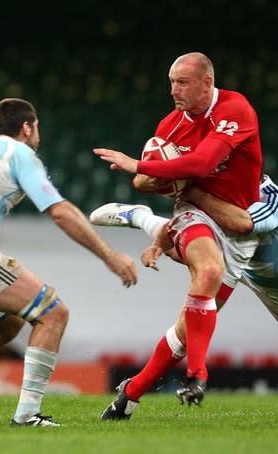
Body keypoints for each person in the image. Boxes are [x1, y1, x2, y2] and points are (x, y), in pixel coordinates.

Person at [0, 98, 138, 427]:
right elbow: (59, 210)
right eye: (37, 129)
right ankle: (27, 415)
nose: (38, 137)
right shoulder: (19, 153)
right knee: (52, 312)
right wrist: (110, 256)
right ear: (27, 127)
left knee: (9, 321)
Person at [90, 175, 278, 420]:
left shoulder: (273, 201)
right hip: (235, 258)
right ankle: (130, 396)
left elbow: (242, 225)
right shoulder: (221, 190)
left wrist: (189, 193)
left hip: (277, 283)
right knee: (189, 321)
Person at [93, 52, 263, 405]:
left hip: (238, 217)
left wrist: (134, 164)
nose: (174, 90)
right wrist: (146, 176)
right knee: (208, 271)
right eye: (171, 82)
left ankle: (132, 391)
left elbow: (203, 162)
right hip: (194, 209)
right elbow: (144, 179)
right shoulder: (169, 126)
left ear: (207, 83)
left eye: (182, 82)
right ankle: (197, 376)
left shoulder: (235, 108)